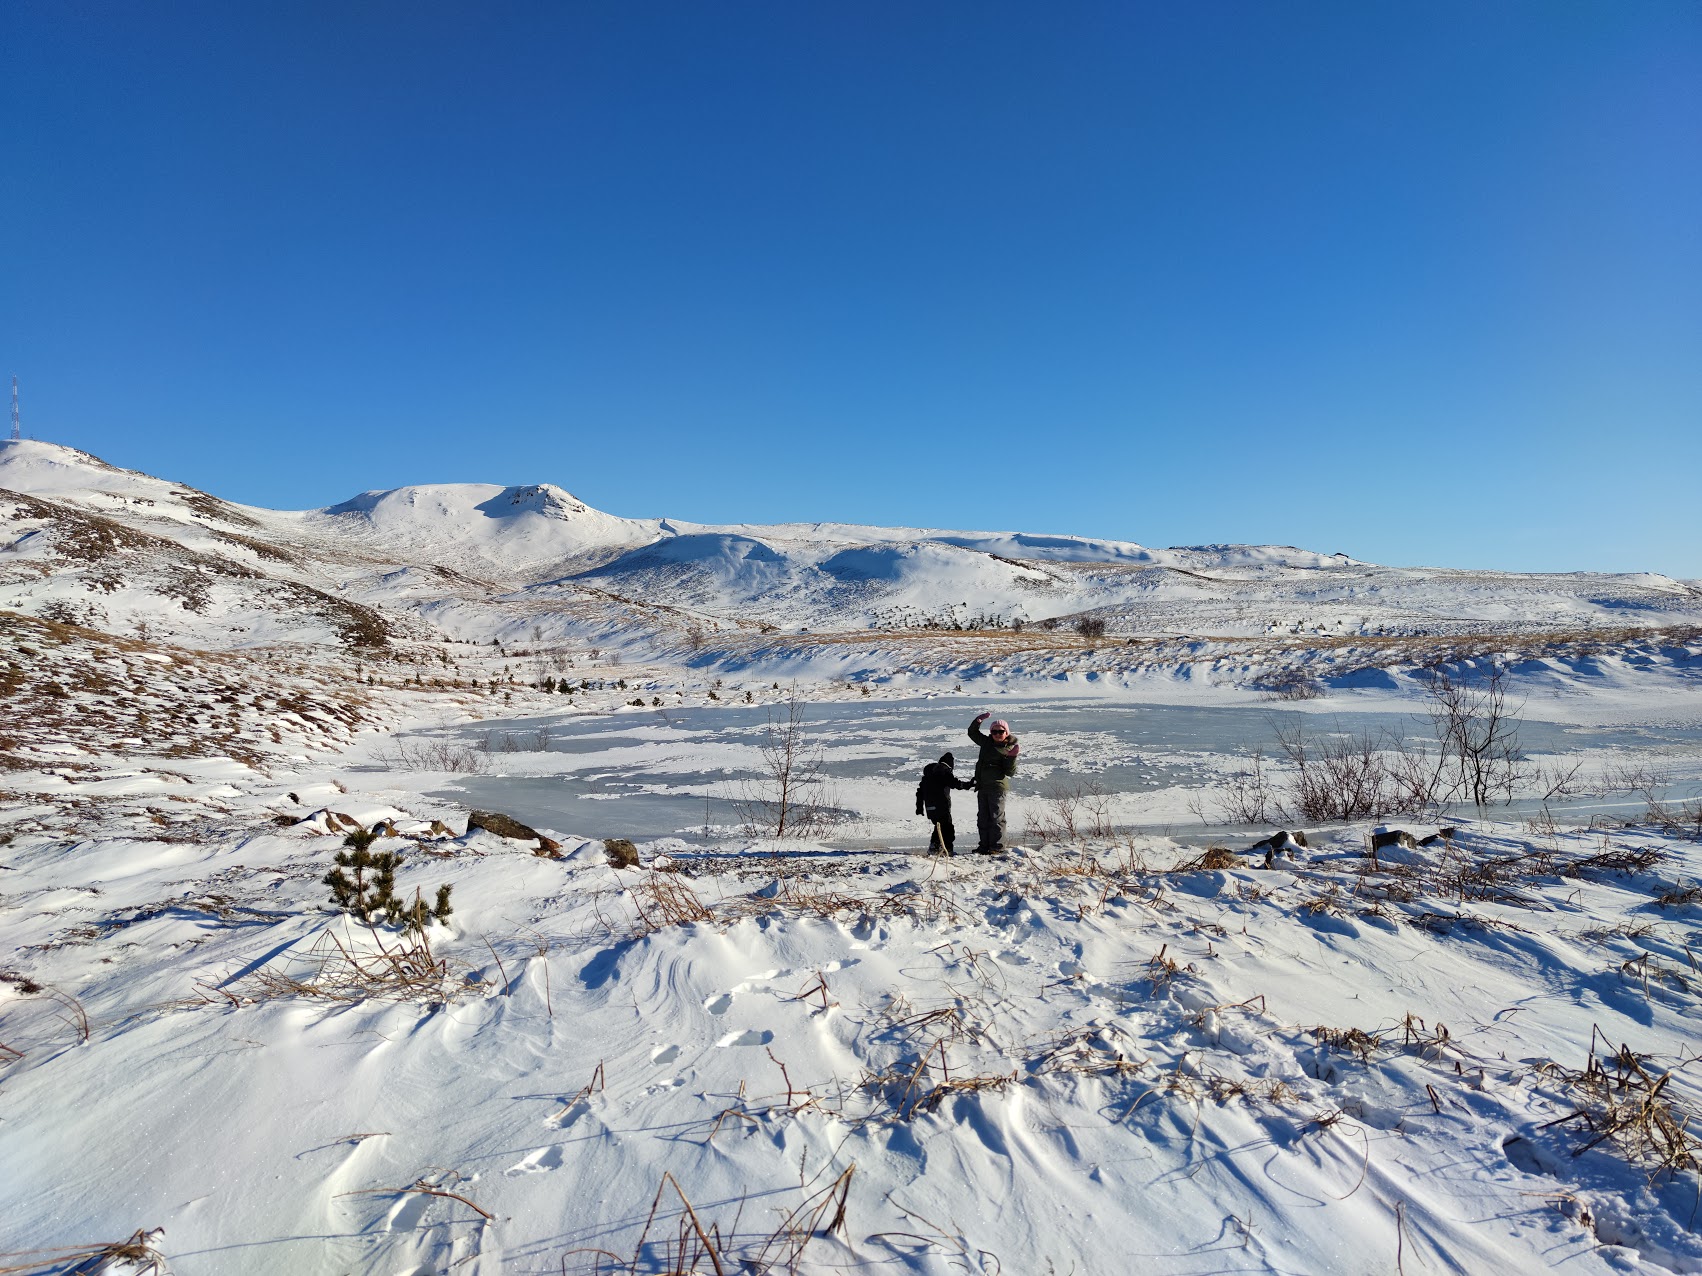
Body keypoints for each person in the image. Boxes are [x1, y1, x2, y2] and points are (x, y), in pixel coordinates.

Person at [967, 712, 1019, 854]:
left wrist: (1012, 757)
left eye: (1000, 731)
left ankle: (997, 847)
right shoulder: (986, 742)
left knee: (996, 818)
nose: (997, 734)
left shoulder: (1008, 749)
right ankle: (984, 846)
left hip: (997, 788)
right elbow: (972, 733)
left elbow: (1010, 772)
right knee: (983, 819)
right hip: (983, 786)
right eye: (994, 731)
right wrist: (978, 721)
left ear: (1006, 733)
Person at [914, 751, 972, 854]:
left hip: (930, 808)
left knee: (939, 827)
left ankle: (934, 847)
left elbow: (920, 792)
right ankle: (946, 850)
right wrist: (969, 784)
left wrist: (919, 807)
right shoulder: (944, 771)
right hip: (941, 806)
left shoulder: (928, 775)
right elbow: (955, 783)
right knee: (948, 828)